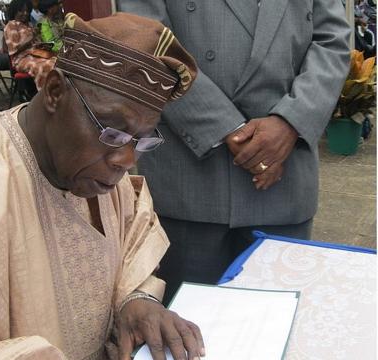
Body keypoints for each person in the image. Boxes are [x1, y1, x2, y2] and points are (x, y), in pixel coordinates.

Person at [0, 12, 205, 360]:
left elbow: (134, 240)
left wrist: (137, 299)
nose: (125, 159)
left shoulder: (95, 166)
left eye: (141, 139)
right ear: (55, 91)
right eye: (114, 131)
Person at [117, 0, 351, 304]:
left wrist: (291, 121)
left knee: (273, 325)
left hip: (284, 183)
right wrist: (228, 129)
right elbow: (146, 41)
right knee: (188, 330)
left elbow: (332, 40)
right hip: (189, 186)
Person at [3, 0, 56, 91]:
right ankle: (45, 96)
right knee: (45, 66)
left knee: (57, 62)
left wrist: (43, 44)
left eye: (27, 11)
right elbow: (14, 50)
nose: (25, 13)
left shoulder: (29, 25)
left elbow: (35, 43)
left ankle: (58, 91)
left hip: (37, 54)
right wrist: (31, 37)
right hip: (22, 59)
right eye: (22, 11)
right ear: (15, 10)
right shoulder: (11, 25)